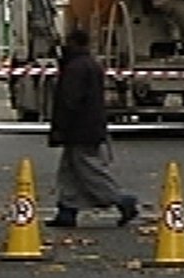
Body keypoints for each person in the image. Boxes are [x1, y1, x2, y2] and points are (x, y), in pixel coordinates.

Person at [45, 29, 138, 228]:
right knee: (69, 171)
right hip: (90, 126)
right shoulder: (89, 64)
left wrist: (60, 127)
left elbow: (69, 100)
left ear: (73, 43)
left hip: (80, 129)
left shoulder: (75, 68)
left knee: (89, 171)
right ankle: (66, 210)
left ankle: (121, 200)